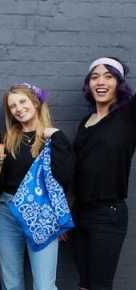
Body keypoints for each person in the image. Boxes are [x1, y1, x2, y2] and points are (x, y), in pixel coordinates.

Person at [0, 84, 73, 290]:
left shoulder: (52, 139)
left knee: (44, 285)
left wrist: (57, 137)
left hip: (43, 212)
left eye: (22, 102)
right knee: (11, 285)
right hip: (7, 213)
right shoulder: (5, 140)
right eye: (12, 106)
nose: (18, 108)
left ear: (35, 102)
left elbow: (65, 177)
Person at [73, 57, 134, 290]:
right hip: (81, 213)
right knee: (85, 284)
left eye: (108, 76)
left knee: (99, 285)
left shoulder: (128, 117)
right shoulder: (84, 122)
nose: (101, 82)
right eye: (95, 76)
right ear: (88, 84)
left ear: (119, 83)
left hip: (108, 214)